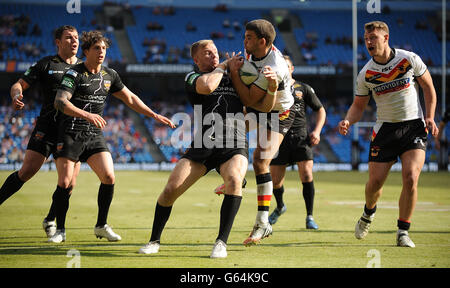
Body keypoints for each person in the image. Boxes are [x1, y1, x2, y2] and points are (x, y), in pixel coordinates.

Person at [139, 39, 277, 258]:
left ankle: (221, 243)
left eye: (215, 52)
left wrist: (271, 87)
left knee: (233, 180)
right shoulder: (193, 77)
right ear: (196, 59)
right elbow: (207, 86)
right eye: (207, 53)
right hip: (204, 143)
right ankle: (154, 240)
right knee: (169, 191)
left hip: (234, 142)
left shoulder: (237, 75)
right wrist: (224, 66)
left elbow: (263, 107)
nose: (214, 56)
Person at [49, 30, 175, 243]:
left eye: (104, 48)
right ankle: (60, 229)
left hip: (93, 134)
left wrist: (154, 114)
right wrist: (87, 114)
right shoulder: (74, 74)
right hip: (70, 131)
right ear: (86, 51)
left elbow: (131, 99)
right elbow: (60, 102)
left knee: (109, 177)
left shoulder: (110, 75)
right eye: (96, 48)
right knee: (66, 183)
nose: (101, 52)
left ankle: (101, 225)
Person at [338, 21, 439, 247]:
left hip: (414, 126)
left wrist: (430, 116)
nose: (369, 42)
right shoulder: (366, 74)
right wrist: (348, 120)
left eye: (373, 37)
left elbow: (429, 87)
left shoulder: (408, 59)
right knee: (374, 184)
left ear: (386, 38)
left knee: (411, 177)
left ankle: (403, 231)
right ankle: (368, 213)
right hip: (385, 130)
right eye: (366, 39)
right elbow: (358, 106)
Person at [0, 25, 82, 238]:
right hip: (47, 127)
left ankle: (50, 219)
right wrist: (16, 96)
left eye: (76, 38)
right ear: (58, 42)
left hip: (73, 131)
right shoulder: (46, 64)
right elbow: (19, 84)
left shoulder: (85, 67)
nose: (74, 41)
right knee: (26, 171)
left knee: (69, 183)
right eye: (68, 38)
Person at [228, 19, 295, 246]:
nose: (244, 40)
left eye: (248, 37)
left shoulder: (274, 66)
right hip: (259, 107)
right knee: (225, 135)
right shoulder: (250, 54)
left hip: (279, 112)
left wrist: (235, 73)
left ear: (262, 41)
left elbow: (248, 99)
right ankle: (235, 179)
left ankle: (263, 222)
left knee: (260, 161)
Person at [268, 55, 326, 229]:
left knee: (307, 175)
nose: (284, 69)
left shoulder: (304, 88)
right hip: (279, 139)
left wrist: (317, 131)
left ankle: (309, 216)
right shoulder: (272, 88)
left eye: (286, 66)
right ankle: (280, 206)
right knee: (276, 181)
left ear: (291, 69)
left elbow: (320, 110)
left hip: (301, 138)